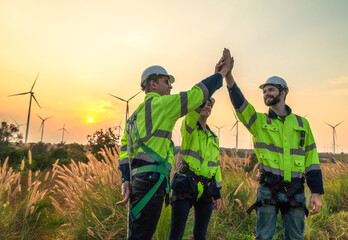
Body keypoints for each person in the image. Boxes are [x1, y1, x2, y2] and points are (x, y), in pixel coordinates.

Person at [116, 49, 232, 240]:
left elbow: (124, 151)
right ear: (153, 84)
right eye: (166, 81)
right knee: (142, 235)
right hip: (151, 182)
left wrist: (126, 178)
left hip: (138, 181)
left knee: (138, 234)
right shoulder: (161, 105)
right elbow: (196, 95)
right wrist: (220, 74)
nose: (170, 87)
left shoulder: (134, 115)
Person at [225, 57, 324, 239]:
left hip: (296, 190)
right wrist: (229, 77)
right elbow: (240, 105)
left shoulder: (302, 123)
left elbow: (312, 159)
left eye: (270, 90)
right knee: (263, 236)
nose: (266, 94)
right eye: (264, 91)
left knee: (295, 237)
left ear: (283, 92)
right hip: (268, 188)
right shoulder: (259, 121)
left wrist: (316, 192)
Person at [167, 97, 222, 240]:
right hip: (185, 184)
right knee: (176, 234)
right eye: (203, 103)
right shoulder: (189, 128)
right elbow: (191, 116)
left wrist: (217, 193)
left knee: (200, 235)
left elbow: (215, 165)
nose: (207, 106)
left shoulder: (214, 138)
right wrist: (205, 94)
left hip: (207, 187)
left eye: (209, 104)